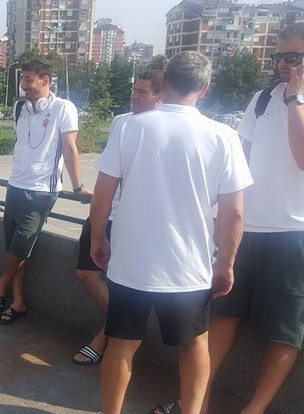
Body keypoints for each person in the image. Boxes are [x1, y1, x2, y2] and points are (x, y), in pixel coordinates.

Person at [153, 23, 304, 414]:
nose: (283, 65)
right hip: (248, 228)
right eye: (279, 57)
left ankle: (253, 410)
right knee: (223, 315)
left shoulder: (291, 99)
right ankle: (195, 402)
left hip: (295, 234)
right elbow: (239, 163)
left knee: (285, 332)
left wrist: (295, 100)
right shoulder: (260, 99)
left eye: (294, 57)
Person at [90, 51, 252, 414]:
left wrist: (99, 238)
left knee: (122, 344)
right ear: (205, 89)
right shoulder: (224, 137)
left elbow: (102, 196)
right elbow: (234, 214)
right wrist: (225, 264)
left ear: (164, 82)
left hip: (130, 262)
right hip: (188, 268)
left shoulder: (129, 127)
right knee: (195, 345)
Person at [0, 57, 93, 324]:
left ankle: (1, 285)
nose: (24, 85)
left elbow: (70, 148)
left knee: (19, 249)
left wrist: (77, 186)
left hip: (42, 192)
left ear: (46, 81)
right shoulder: (19, 107)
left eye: (28, 80)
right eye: (23, 80)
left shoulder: (63, 108)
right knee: (15, 249)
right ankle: (18, 303)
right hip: (15, 186)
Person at [72, 69, 163, 366]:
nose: (134, 96)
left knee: (124, 283)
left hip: (134, 221)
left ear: (160, 97)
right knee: (86, 272)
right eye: (134, 90)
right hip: (105, 210)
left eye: (142, 92)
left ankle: (105, 336)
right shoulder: (121, 123)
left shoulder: (165, 129)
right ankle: (122, 326)